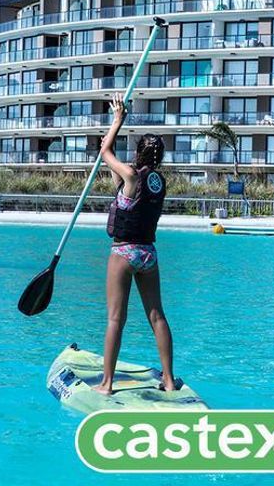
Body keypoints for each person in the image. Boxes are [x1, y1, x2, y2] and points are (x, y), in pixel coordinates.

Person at [94, 93, 175, 396]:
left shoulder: (130, 175)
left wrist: (118, 120)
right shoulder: (158, 182)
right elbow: (115, 169)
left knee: (116, 319)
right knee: (157, 316)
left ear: (138, 152)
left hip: (124, 252)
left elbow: (105, 153)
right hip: (148, 255)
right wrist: (110, 143)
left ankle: (106, 384)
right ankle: (169, 380)